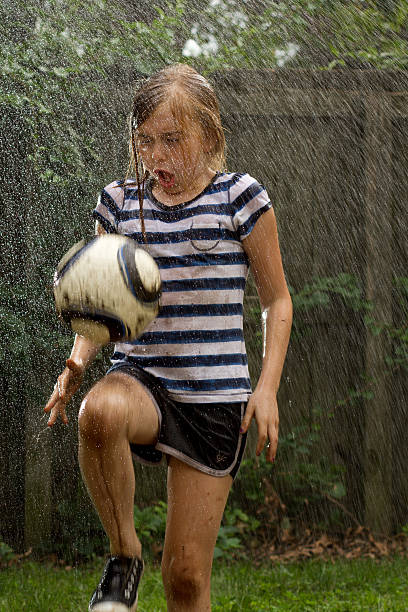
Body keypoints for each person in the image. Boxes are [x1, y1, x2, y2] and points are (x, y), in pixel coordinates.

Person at [44, 64, 292, 612]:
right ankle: (123, 554)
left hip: (214, 400)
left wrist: (267, 388)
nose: (157, 157)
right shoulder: (119, 204)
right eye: (146, 141)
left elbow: (277, 300)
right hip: (143, 381)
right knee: (98, 414)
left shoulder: (241, 200)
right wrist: (77, 363)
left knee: (184, 578)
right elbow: (100, 304)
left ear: (209, 134)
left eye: (173, 140)